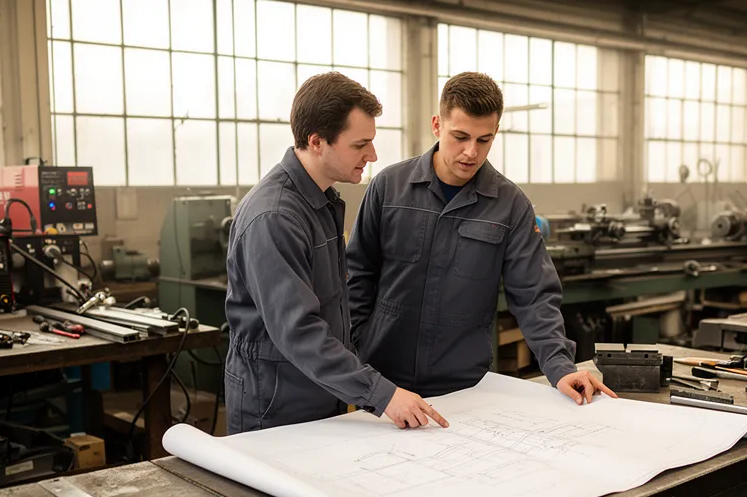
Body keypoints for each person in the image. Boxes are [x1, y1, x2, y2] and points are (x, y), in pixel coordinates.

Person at [346, 72, 617, 405]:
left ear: (495, 133)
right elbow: (356, 277)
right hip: (385, 380)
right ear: (436, 125)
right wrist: (358, 353)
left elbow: (534, 296)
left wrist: (560, 367)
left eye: (483, 140)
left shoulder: (510, 206)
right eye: (460, 136)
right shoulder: (388, 188)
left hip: (466, 386)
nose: (471, 152)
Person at [224, 72, 448, 434]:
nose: (372, 155)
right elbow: (300, 332)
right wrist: (383, 394)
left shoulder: (321, 202)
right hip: (276, 409)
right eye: (360, 145)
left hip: (319, 394)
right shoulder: (276, 218)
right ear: (317, 142)